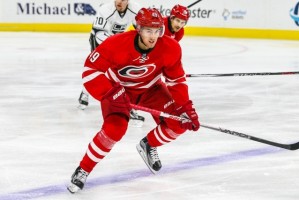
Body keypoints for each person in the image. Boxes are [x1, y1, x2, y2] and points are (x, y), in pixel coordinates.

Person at [67, 7, 200, 194]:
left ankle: (149, 144)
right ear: (138, 29)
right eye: (148, 31)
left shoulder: (170, 47)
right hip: (117, 91)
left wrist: (186, 107)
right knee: (114, 130)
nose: (153, 36)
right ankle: (83, 169)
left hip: (151, 90)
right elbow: (90, 71)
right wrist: (110, 93)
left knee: (178, 123)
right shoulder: (116, 44)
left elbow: (176, 81)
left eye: (157, 31)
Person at [78, 0, 140, 109]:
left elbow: (140, 30)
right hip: (98, 40)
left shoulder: (135, 9)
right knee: (96, 70)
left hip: (117, 41)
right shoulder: (106, 9)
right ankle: (85, 93)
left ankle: (123, 99)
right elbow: (99, 33)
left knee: (119, 71)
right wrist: (115, 48)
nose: (119, 2)